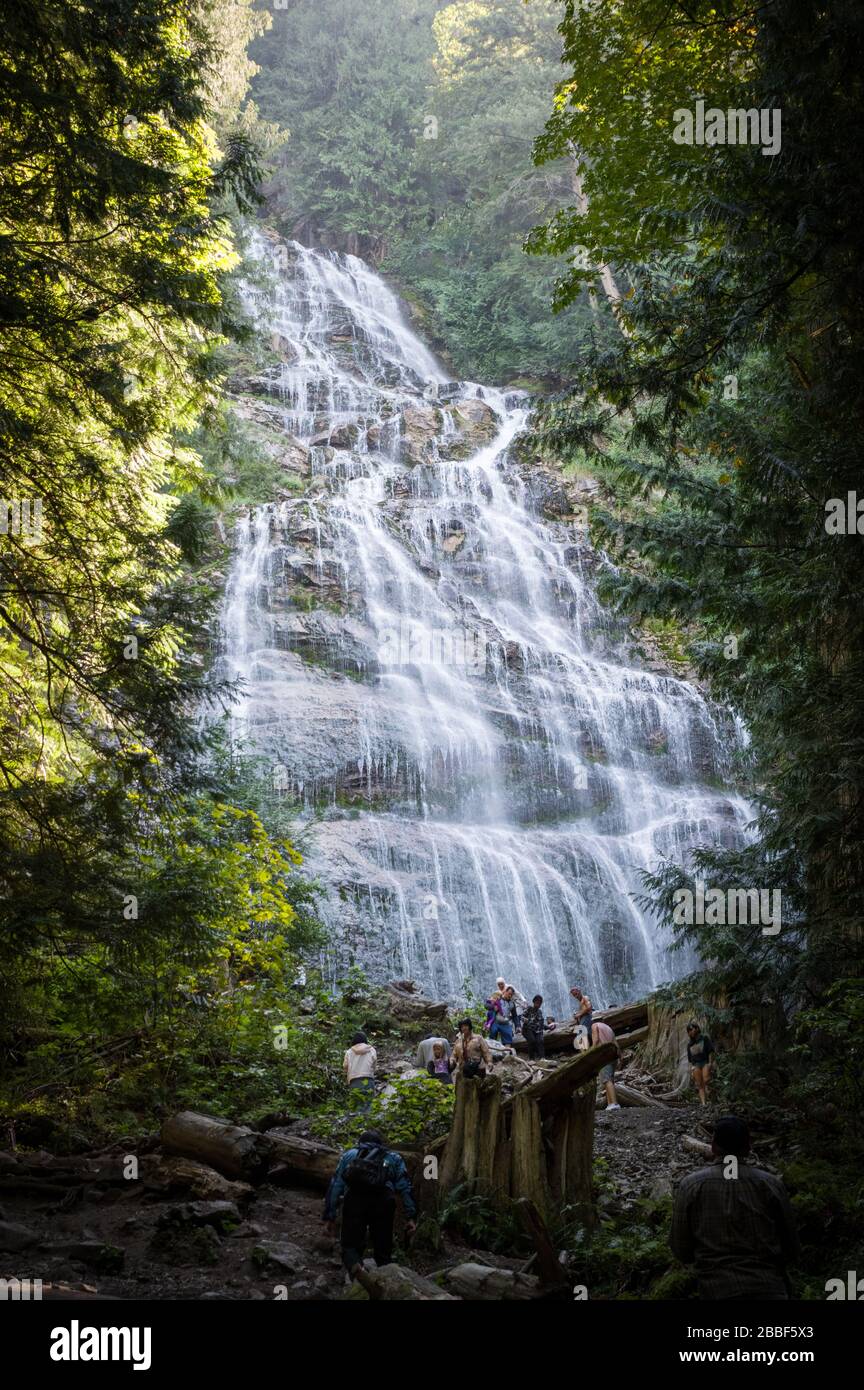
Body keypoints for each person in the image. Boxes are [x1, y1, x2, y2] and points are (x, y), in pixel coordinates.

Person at [670, 1115, 799, 1300]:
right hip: (770, 1288)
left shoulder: (691, 1186)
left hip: (716, 1289)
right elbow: (791, 1247)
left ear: (713, 1147)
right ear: (748, 1147)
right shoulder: (771, 1184)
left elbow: (681, 1249)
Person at [323, 1128, 417, 1275]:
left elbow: (336, 1185)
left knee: (350, 1246)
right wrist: (411, 1216)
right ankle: (385, 1282)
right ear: (381, 1144)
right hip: (384, 1201)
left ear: (360, 1143)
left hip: (354, 1199)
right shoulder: (393, 1157)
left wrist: (330, 1216)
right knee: (383, 1247)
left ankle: (358, 1276)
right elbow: (405, 1186)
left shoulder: (349, 1155)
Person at [343, 1030, 377, 1112]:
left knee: (357, 1104)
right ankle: (367, 1122)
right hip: (368, 1079)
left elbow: (345, 1066)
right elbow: (374, 1063)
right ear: (365, 1040)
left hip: (354, 1081)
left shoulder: (349, 1052)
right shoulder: (371, 1050)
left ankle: (357, 1123)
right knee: (368, 1103)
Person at [591, 1018, 620, 1110]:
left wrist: (591, 1053)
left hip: (604, 1055)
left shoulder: (594, 1025)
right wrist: (620, 1057)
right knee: (609, 1080)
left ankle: (615, 1104)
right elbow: (616, 1043)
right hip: (613, 1055)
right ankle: (610, 1103)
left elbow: (595, 1040)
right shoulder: (608, 1028)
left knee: (607, 1080)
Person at [686, 1021, 716, 1105]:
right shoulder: (690, 1045)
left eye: (692, 1029)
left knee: (706, 1080)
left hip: (705, 1062)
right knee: (699, 1084)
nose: (691, 1031)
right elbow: (690, 1059)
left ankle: (711, 1098)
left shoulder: (704, 1038)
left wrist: (710, 1063)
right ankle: (703, 1103)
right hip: (696, 1065)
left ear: (697, 1028)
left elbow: (710, 1051)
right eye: (689, 1030)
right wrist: (691, 1070)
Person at [521, 995, 547, 1060]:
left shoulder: (539, 1012)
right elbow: (521, 1017)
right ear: (534, 1002)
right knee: (532, 1040)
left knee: (540, 1041)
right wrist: (527, 1020)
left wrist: (548, 1027)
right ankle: (531, 1059)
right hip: (527, 1029)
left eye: (540, 1003)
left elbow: (541, 1024)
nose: (538, 1004)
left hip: (537, 1030)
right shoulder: (529, 1008)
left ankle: (542, 1058)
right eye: (537, 1002)